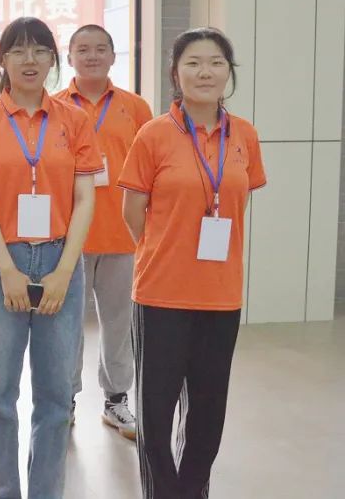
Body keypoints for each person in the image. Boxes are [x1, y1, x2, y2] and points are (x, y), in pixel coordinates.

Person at [118, 27, 266, 499]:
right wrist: (163, 251)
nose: (206, 72)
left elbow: (238, 203)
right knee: (156, 416)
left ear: (229, 72)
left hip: (220, 296)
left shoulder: (244, 135)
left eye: (216, 62)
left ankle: (191, 491)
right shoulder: (153, 134)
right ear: (175, 73)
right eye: (194, 63)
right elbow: (132, 212)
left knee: (208, 414)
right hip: (161, 294)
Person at [0, 16, 100, 499]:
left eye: (39, 50)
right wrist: (7, 270)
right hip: (2, 262)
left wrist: (63, 272)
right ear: (3, 60)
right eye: (18, 51)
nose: (29, 60)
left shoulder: (74, 120)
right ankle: (2, 492)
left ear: (53, 60)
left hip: (61, 260)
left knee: (56, 398)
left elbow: (85, 199)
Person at [54, 23, 152, 439]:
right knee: (66, 326)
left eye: (100, 49)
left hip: (122, 235)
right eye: (83, 49)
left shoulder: (136, 108)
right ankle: (65, 400)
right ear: (69, 57)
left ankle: (116, 400)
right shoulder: (55, 106)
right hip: (68, 237)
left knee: (119, 324)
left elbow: (151, 171)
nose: (91, 56)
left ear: (113, 56)